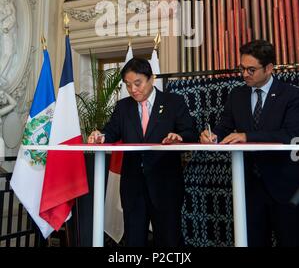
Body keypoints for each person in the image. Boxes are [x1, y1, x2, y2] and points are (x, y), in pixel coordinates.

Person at [88, 57, 197, 247]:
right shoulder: (123, 107)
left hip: (165, 186)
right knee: (134, 242)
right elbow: (111, 131)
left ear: (151, 78)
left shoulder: (173, 102)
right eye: (128, 85)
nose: (133, 90)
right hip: (133, 187)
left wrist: (178, 137)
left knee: (169, 242)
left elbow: (190, 132)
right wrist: (101, 136)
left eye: (137, 83)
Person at [200, 39, 299, 247]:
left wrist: (247, 136)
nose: (244, 74)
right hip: (248, 187)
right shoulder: (237, 95)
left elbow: (291, 134)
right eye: (242, 68)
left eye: (251, 70)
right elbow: (224, 127)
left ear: (269, 68)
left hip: (284, 188)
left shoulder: (291, 95)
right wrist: (212, 135)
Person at [0, 0, 17, 82]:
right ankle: (1, 73)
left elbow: (14, 19)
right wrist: (7, 14)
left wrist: (9, 27)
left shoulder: (11, 6)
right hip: (4, 32)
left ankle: (2, 73)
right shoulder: (2, 8)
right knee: (7, 53)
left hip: (9, 31)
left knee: (9, 53)